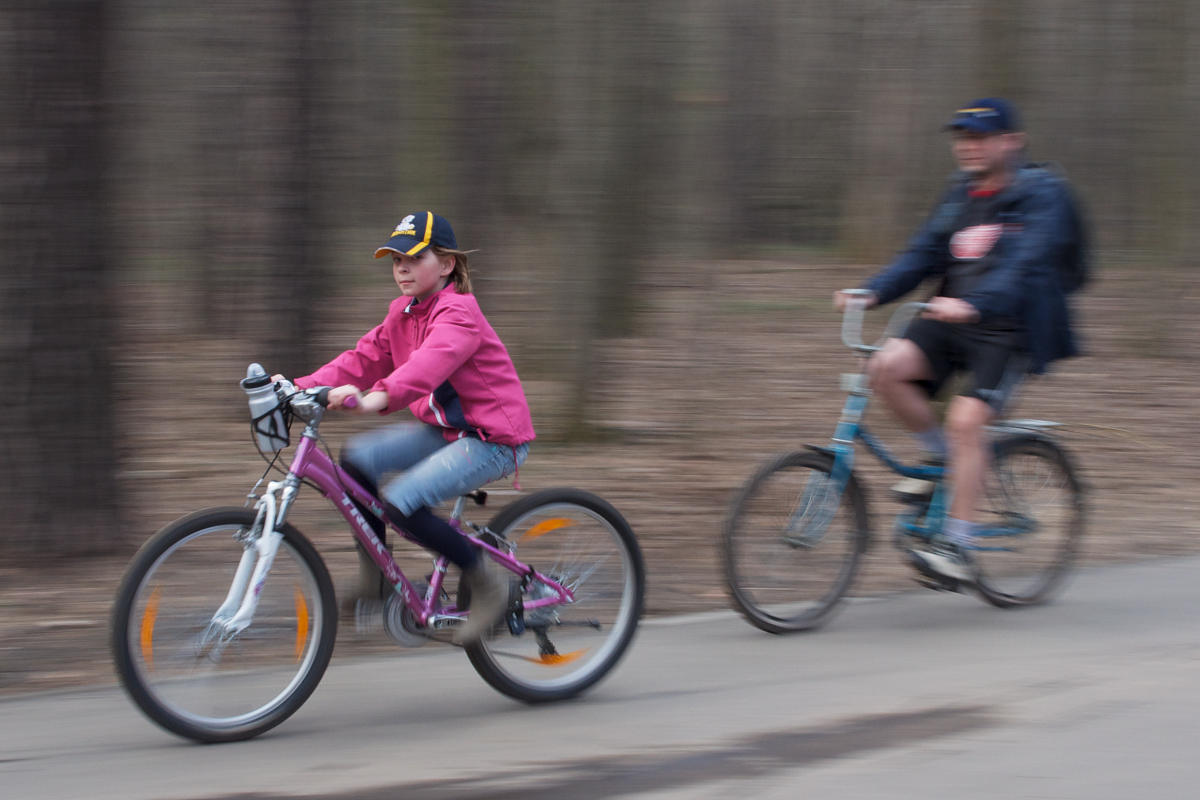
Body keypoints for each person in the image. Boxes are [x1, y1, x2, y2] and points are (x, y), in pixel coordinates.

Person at [834, 98, 1079, 589]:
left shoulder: (1041, 196)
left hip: (1009, 331)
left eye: (981, 136)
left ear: (1012, 141)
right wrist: (873, 290)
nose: (968, 146)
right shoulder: (959, 194)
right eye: (962, 137)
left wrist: (978, 303)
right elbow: (923, 253)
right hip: (951, 318)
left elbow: (1027, 264)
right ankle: (942, 458)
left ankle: (959, 544)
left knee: (969, 421)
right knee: (884, 368)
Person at [287, 211, 536, 643]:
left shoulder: (460, 314)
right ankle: (377, 575)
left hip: (492, 439)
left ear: (446, 265)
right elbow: (360, 359)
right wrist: (296, 387)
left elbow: (427, 366)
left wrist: (379, 397)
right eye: (395, 259)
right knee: (355, 460)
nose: (401, 267)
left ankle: (488, 585)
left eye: (413, 257)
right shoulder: (403, 313)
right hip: (446, 431)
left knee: (402, 501)